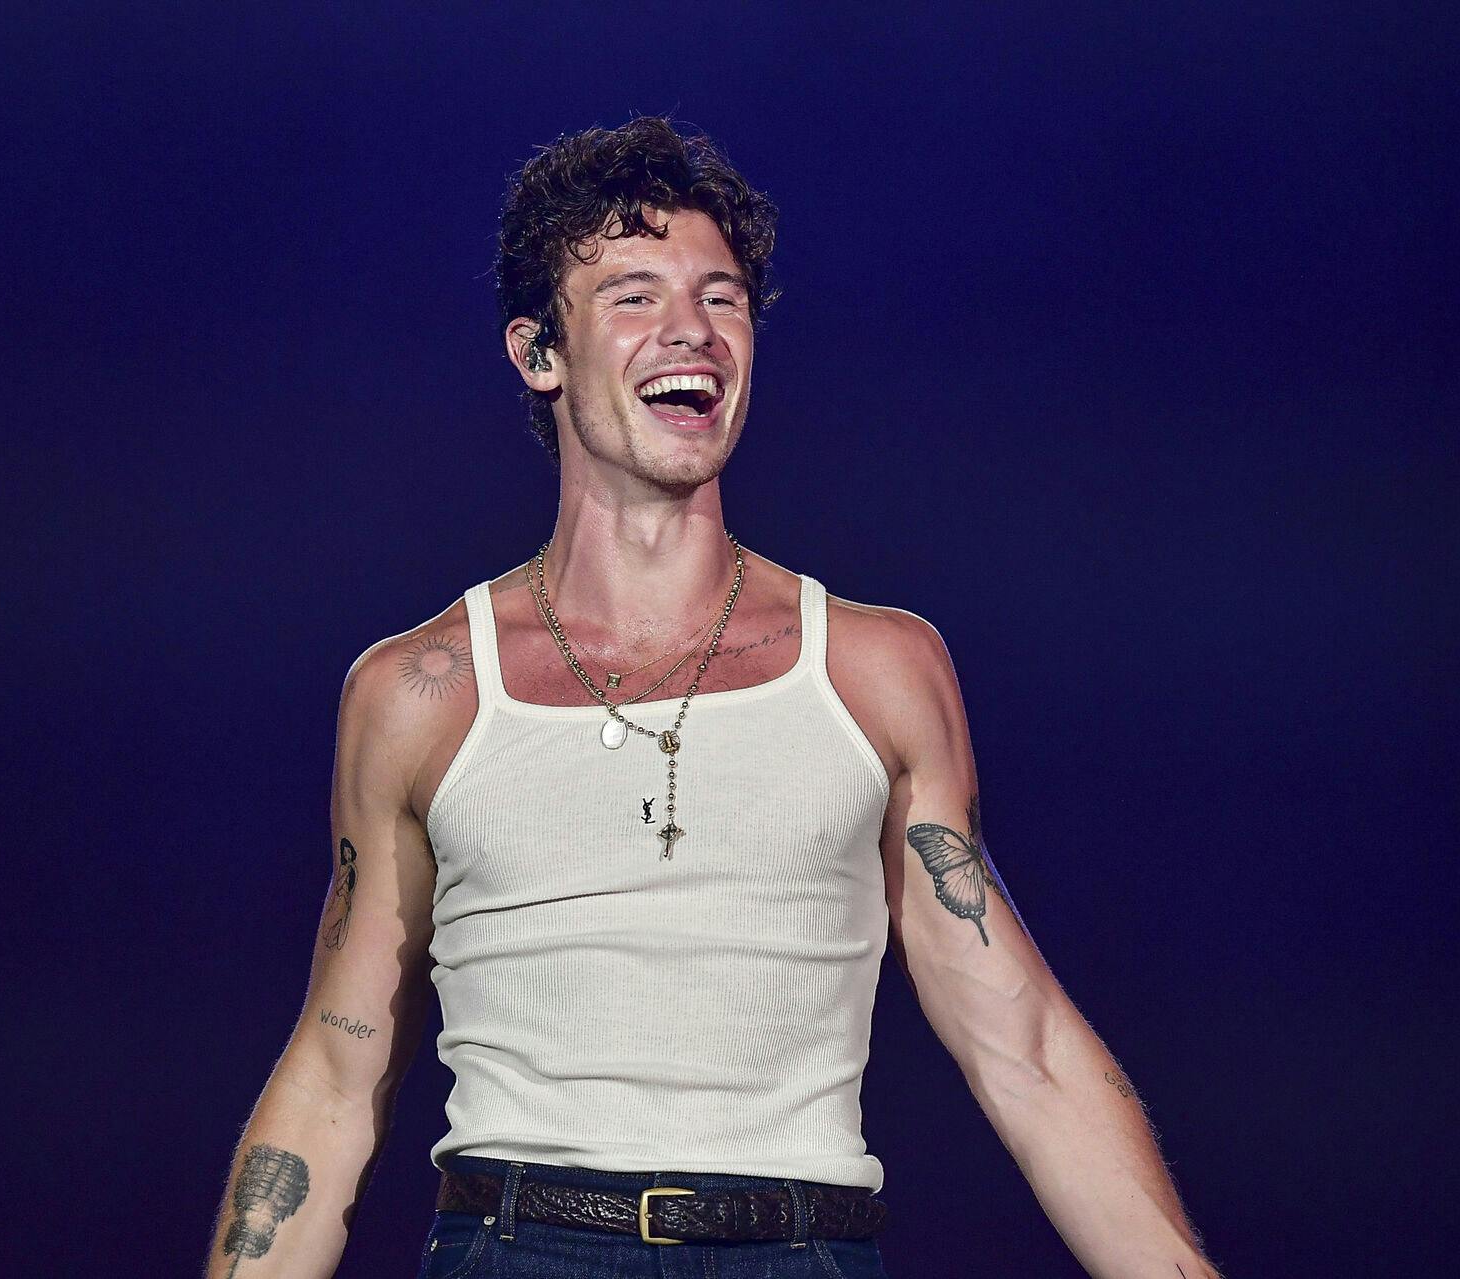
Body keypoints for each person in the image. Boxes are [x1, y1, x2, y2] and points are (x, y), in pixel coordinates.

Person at [204, 116, 1218, 1279]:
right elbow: (338, 1073)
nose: (691, 330)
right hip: (523, 1245)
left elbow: (1024, 1043)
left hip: (799, 1246)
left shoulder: (877, 669)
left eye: (723, 299)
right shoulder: (421, 688)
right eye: (634, 296)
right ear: (539, 352)